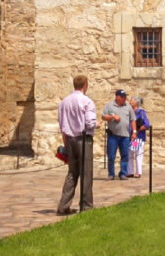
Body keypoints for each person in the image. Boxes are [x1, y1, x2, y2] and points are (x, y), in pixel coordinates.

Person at [57, 75, 97, 214]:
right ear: (85, 85)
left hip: (70, 139)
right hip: (83, 139)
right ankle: (86, 206)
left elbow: (62, 124)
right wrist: (97, 125)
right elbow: (90, 123)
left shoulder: (64, 102)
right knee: (86, 173)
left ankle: (63, 205)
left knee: (72, 173)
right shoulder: (87, 101)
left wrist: (65, 143)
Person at [101, 89, 136, 180]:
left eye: (125, 97)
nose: (125, 98)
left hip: (125, 136)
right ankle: (111, 174)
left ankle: (123, 173)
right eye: (123, 97)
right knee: (111, 156)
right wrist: (112, 116)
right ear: (117, 97)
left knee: (125, 155)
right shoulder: (109, 106)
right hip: (113, 135)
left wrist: (134, 132)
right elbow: (103, 117)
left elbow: (133, 120)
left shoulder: (128, 106)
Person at [128, 96, 150, 178]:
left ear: (136, 102)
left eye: (132, 100)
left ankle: (138, 171)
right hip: (130, 136)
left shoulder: (141, 112)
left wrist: (137, 130)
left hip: (137, 137)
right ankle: (130, 171)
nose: (130, 101)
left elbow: (147, 124)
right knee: (130, 153)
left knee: (137, 153)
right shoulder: (130, 111)